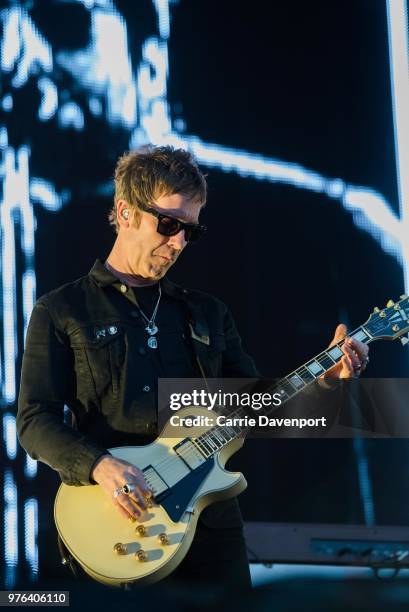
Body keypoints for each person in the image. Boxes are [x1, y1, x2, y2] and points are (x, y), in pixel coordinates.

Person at [17, 145, 369, 589]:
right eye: (168, 225)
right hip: (118, 525)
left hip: (211, 533)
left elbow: (259, 405)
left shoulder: (206, 313)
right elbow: (34, 420)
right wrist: (100, 465)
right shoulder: (61, 310)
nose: (179, 242)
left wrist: (327, 382)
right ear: (125, 213)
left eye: (190, 231)